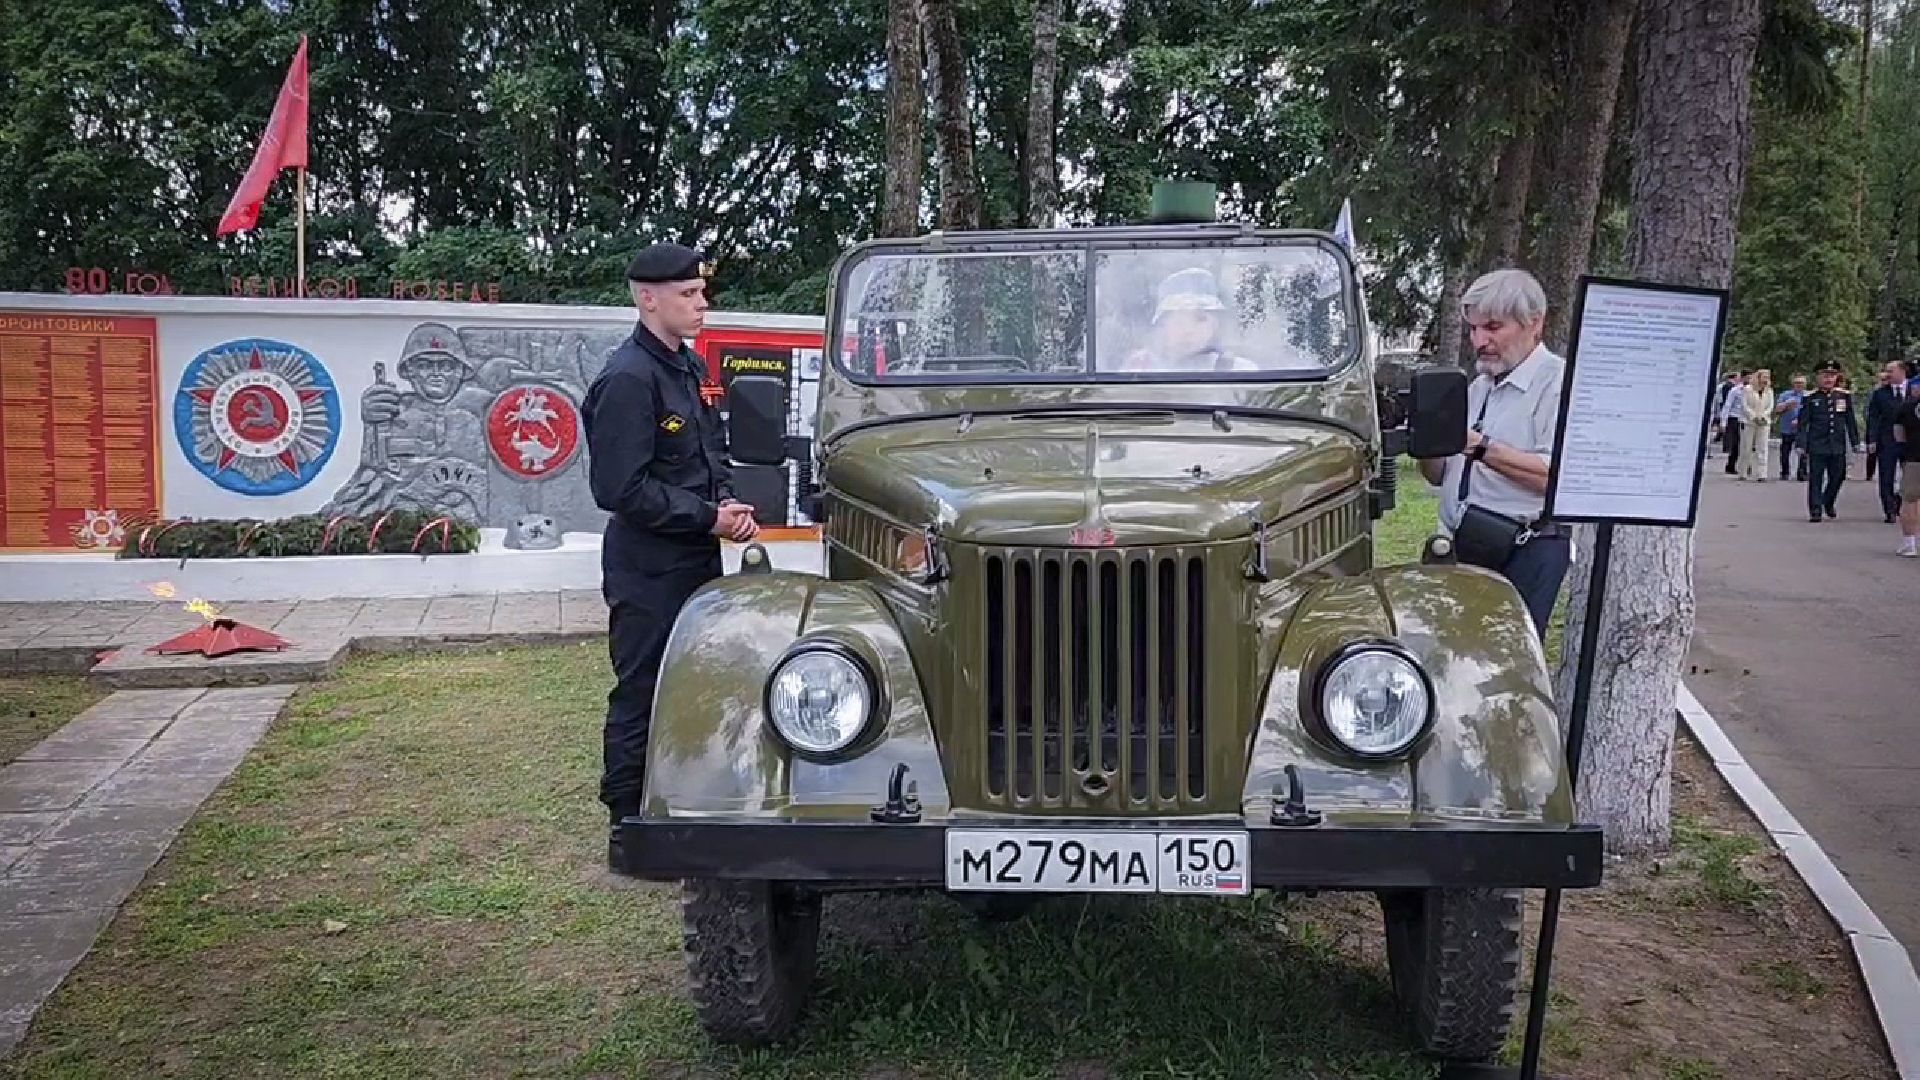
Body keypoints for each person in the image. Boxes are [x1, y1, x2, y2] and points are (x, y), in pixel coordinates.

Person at [583, 242, 759, 864]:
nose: (702, 303)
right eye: (688, 294)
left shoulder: (682, 366)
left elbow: (709, 453)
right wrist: (707, 516)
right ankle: (627, 821)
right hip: (648, 566)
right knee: (642, 687)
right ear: (648, 298)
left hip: (693, 559)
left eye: (700, 292)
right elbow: (619, 488)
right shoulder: (629, 378)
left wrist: (728, 503)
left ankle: (682, 793)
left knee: (692, 683)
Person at [1421, 268, 1569, 638]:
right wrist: (1427, 440)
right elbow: (1438, 476)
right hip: (1462, 546)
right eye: (1473, 329)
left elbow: (1559, 480)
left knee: (1504, 666)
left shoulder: (1558, 385)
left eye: (1492, 327)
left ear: (1535, 323)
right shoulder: (1479, 386)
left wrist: (1479, 446)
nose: (1479, 340)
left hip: (1524, 552)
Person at [1113, 267, 1258, 373]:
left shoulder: (1239, 371)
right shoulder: (1139, 369)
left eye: (1200, 319)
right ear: (1162, 325)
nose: (1188, 330)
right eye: (1178, 320)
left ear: (1215, 325)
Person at [1800, 363, 1860, 523]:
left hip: (1837, 444)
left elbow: (1850, 420)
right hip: (1817, 443)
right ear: (1818, 377)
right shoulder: (1810, 397)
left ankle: (1828, 501)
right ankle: (1815, 509)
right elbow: (1803, 423)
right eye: (1825, 376)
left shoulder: (1843, 396)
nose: (1829, 379)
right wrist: (1801, 443)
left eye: (1832, 376)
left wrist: (1855, 442)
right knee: (1816, 478)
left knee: (1838, 476)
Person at [1867, 360, 1910, 522]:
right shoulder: (1880, 394)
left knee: (1910, 476)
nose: (1887, 374)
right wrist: (1872, 439)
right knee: (1886, 476)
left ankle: (1899, 500)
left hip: (1910, 442)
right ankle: (1889, 509)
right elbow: (1873, 418)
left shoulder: (1914, 391)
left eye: (1891, 371)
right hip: (1887, 441)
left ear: (1902, 371)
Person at [1895, 377, 1920, 557]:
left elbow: (1899, 435)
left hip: (1914, 458)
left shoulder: (1906, 407)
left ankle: (1909, 544)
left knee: (1910, 501)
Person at [1740, 369, 1775, 481]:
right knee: (1747, 447)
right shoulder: (1747, 389)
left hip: (1764, 422)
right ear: (1758, 377)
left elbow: (1770, 406)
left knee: (1762, 448)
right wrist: (1753, 416)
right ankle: (1743, 472)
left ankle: (1762, 474)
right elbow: (1745, 405)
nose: (1765, 379)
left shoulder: (1769, 391)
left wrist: (1763, 416)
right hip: (1749, 422)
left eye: (1767, 377)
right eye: (1763, 377)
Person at [1775, 374, 1808, 481]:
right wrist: (1786, 404)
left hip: (1802, 428)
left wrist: (1800, 420)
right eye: (1797, 383)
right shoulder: (1785, 395)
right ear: (1793, 384)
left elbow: (1810, 412)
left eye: (1801, 383)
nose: (1799, 385)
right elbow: (1777, 410)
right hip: (1787, 427)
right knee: (1785, 451)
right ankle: (1784, 472)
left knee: (1803, 451)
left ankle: (1802, 473)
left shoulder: (1808, 396)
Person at [1719, 370, 1748, 474]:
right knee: (1736, 444)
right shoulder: (1735, 390)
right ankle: (1731, 465)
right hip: (1735, 418)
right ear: (1743, 378)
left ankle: (1745, 465)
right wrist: (1723, 421)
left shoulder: (1752, 391)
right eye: (1747, 378)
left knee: (1747, 444)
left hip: (1747, 419)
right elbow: (1727, 405)